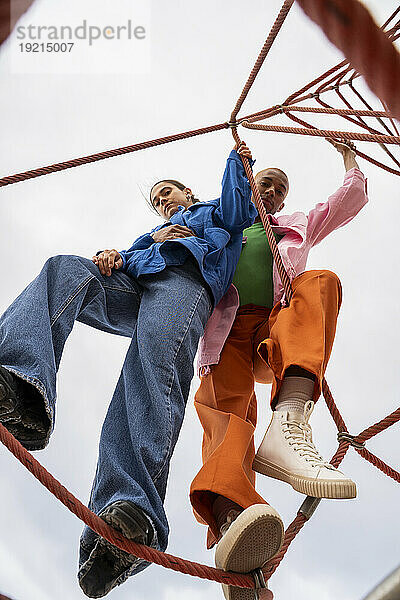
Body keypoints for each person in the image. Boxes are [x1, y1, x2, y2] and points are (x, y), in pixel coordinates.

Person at [0, 142, 269, 598]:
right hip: (138, 283)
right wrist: (115, 256)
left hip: (185, 285)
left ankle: (127, 511)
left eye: (168, 193)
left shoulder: (212, 215)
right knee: (66, 270)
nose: (164, 202)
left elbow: (238, 207)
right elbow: (126, 258)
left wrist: (237, 160)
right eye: (157, 200)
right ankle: (22, 385)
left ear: (187, 191)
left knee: (150, 372)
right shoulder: (153, 235)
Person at [188, 139, 369, 600]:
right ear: (250, 186)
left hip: (274, 329)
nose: (271, 191)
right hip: (225, 330)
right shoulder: (223, 223)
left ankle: (289, 420)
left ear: (285, 200)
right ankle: (234, 523)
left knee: (320, 281)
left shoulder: (294, 227)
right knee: (226, 410)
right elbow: (174, 237)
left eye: (279, 188)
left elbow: (347, 200)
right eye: (265, 182)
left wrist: (348, 157)